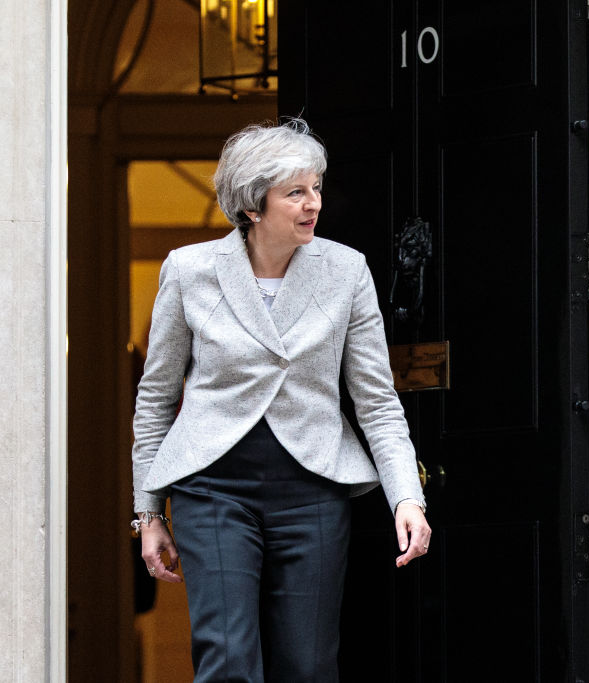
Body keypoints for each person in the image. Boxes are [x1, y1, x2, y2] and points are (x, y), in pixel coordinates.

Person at [131, 118, 430, 682]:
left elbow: (377, 401)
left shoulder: (346, 271)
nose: (313, 203)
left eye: (315, 187)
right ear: (251, 205)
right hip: (213, 488)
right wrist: (148, 512)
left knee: (308, 666)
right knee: (228, 659)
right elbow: (156, 399)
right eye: (295, 192)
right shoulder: (189, 270)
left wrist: (406, 498)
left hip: (311, 491)